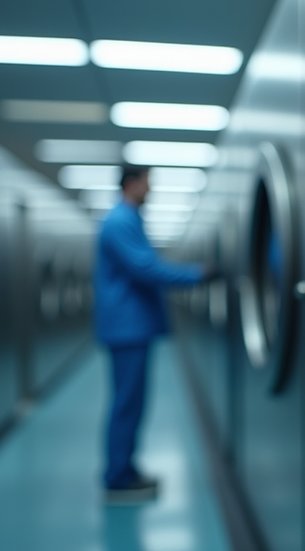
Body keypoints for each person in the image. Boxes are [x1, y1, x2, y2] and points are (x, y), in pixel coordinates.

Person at [94, 165, 214, 503]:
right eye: (148, 182)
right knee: (127, 403)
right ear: (131, 183)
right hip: (126, 327)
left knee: (131, 402)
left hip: (131, 326)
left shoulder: (127, 219)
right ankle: (116, 478)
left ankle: (125, 468)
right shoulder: (119, 221)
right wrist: (197, 274)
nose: (151, 189)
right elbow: (145, 268)